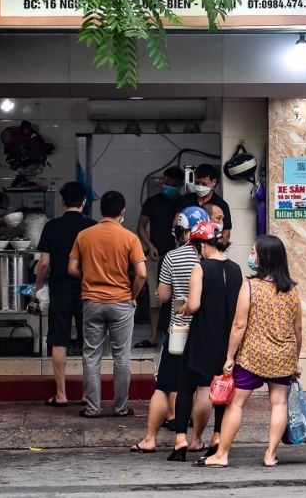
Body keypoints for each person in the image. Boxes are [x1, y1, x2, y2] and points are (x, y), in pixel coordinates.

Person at [203, 235, 302, 468]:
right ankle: (270, 455)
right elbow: (298, 328)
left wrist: (229, 357)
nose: (252, 255)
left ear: (264, 258)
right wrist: (295, 359)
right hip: (283, 356)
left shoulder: (250, 287)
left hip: (252, 356)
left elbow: (239, 325)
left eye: (254, 252)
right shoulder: (292, 291)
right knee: (278, 403)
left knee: (236, 404)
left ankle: (222, 454)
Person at [131, 206, 213, 453]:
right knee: (203, 387)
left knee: (165, 386)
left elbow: (164, 296)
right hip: (205, 333)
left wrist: (160, 291)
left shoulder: (172, 257)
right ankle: (197, 439)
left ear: (181, 232)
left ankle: (150, 439)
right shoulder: (211, 257)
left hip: (179, 331)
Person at [68, 190, 147, 418]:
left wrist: (91, 277)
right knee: (121, 356)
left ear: (101, 210)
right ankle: (120, 408)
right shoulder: (130, 238)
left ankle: (92, 408)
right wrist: (133, 296)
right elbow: (141, 274)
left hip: (92, 302)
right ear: (122, 211)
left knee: (91, 355)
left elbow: (72, 269)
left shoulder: (84, 235)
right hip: (121, 302)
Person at [169, 220, 243, 462]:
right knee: (223, 388)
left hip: (202, 337)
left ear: (201, 244)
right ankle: (218, 436)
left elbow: (195, 304)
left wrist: (184, 310)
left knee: (186, 386)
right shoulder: (236, 269)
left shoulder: (200, 269)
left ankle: (181, 437)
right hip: (227, 339)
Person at [33, 182, 96, 406]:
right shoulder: (92, 227)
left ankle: (61, 395)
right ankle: (87, 394)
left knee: (58, 340)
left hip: (59, 290)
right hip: (86, 291)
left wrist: (37, 288)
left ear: (62, 202)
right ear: (84, 202)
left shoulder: (52, 227)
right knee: (89, 342)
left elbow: (44, 262)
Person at [136, 167, 186, 348]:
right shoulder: (152, 202)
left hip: (178, 256)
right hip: (155, 257)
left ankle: (178, 334)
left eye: (173, 185)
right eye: (166, 184)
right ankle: (154, 335)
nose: (168, 187)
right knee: (154, 298)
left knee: (178, 296)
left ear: (180, 185)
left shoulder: (184, 203)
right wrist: (149, 246)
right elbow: (141, 226)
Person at [179, 164, 231, 248]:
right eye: (197, 183)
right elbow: (177, 223)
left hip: (212, 249)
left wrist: (215, 249)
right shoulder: (186, 200)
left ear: (213, 182)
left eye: (204, 184)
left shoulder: (221, 204)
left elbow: (226, 234)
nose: (200, 186)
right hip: (188, 248)